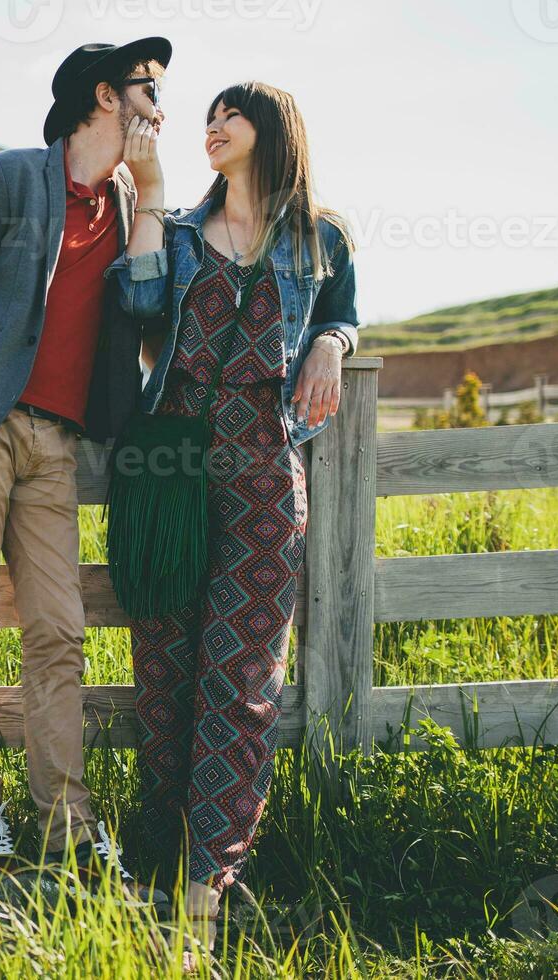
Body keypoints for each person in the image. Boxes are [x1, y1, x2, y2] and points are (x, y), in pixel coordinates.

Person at [0, 38, 172, 903]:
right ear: (105, 95)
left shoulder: (132, 197)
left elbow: (143, 306)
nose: (161, 100)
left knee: (58, 629)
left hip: (56, 444)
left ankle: (69, 824)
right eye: (148, 86)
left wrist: (155, 195)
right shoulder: (10, 179)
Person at [109, 80, 360, 961]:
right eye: (208, 116)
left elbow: (341, 317)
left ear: (273, 130)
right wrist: (144, 193)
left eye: (231, 115)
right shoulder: (176, 231)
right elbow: (136, 313)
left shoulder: (322, 238)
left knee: (242, 675)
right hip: (169, 459)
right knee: (166, 668)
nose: (212, 127)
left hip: (262, 457)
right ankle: (152, 855)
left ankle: (210, 878)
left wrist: (332, 343)